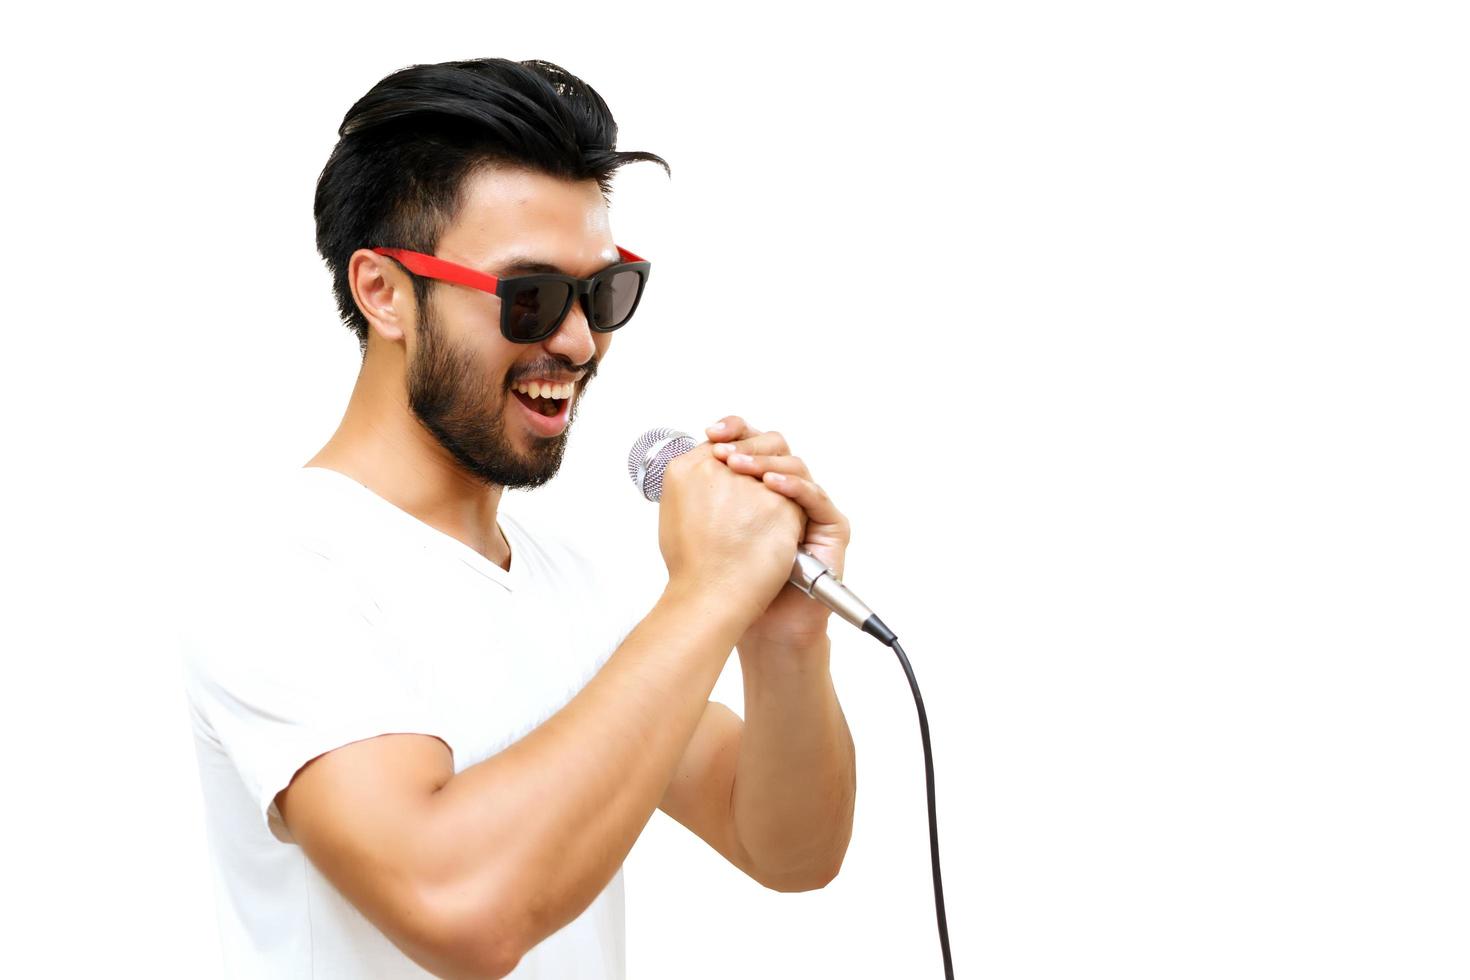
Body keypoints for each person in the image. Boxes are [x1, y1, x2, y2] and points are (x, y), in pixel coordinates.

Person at [179, 57, 856, 979]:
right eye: (529, 294)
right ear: (383, 291)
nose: (577, 341)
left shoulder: (569, 581)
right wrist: (704, 598)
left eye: (604, 291)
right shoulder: (286, 572)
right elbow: (459, 910)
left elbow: (785, 848)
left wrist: (781, 641)